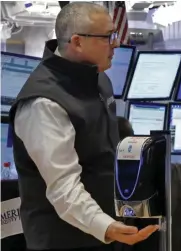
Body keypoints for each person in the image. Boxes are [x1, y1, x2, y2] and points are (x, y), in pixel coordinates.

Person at [9, 3, 158, 251]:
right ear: (77, 42)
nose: (117, 43)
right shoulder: (43, 102)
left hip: (105, 233)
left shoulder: (99, 79)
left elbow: (102, 155)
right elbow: (63, 188)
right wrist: (107, 227)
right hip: (65, 241)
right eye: (108, 36)